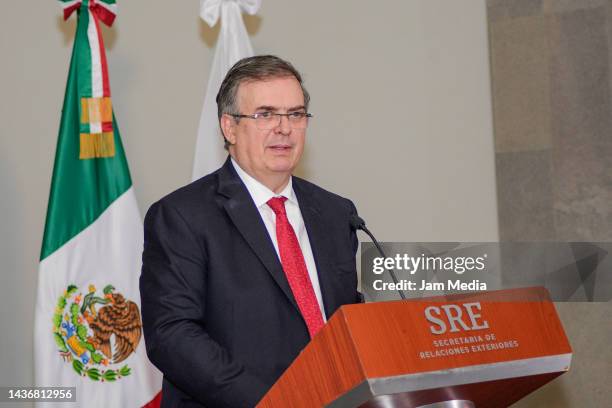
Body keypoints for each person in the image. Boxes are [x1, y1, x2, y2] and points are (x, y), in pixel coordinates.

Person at [140, 55, 362, 407]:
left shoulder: (336, 212)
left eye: (296, 114)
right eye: (265, 114)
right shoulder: (182, 216)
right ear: (229, 127)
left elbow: (347, 317)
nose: (284, 128)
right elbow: (172, 335)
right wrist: (273, 402)